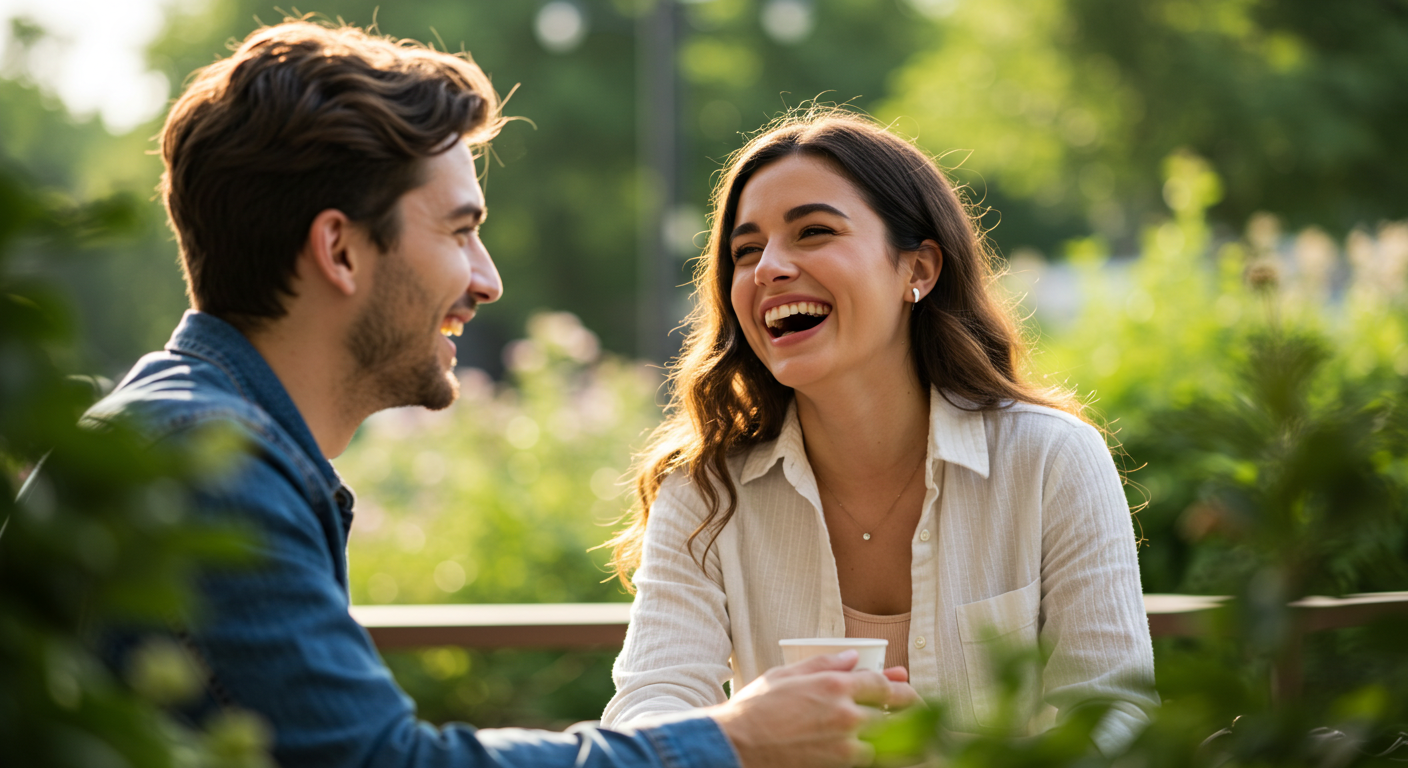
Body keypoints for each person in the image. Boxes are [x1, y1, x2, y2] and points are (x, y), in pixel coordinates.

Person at [78, 22, 916, 768]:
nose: (488, 280)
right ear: (339, 251)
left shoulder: (194, 438)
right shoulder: (208, 466)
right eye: (461, 230)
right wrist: (732, 743)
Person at [601, 111, 1159, 755]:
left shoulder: (1052, 459)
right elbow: (648, 708)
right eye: (745, 250)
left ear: (918, 270)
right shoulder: (703, 489)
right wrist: (750, 729)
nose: (768, 268)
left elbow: (1115, 719)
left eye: (813, 231)